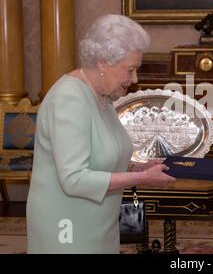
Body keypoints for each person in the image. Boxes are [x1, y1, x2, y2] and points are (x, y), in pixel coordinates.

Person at [26, 14, 176, 253]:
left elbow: (100, 159)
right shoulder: (69, 99)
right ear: (103, 63)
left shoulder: (101, 96)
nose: (134, 79)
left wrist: (137, 169)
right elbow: (74, 179)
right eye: (130, 70)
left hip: (99, 223)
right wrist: (141, 179)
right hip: (67, 226)